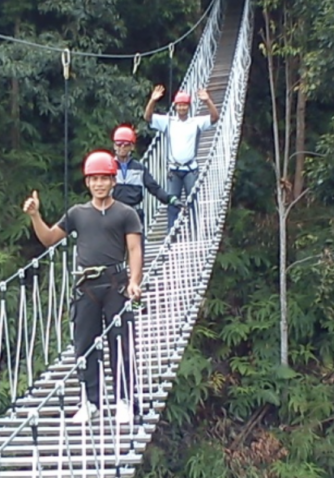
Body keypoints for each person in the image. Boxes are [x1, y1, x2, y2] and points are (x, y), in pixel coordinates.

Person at [23, 150, 143, 424]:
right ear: (87, 182)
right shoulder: (77, 213)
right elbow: (50, 239)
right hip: (85, 286)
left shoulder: (126, 213)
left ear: (113, 181)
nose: (99, 183)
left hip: (116, 284)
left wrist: (135, 281)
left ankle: (124, 400)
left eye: (104, 178)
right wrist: (35, 216)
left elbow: (135, 249)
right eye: (94, 179)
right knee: (84, 346)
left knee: (121, 343)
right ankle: (90, 401)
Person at [143, 85, 220, 232]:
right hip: (174, 170)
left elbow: (215, 118)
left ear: (189, 107)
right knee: (172, 201)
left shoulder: (196, 122)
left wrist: (207, 101)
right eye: (179, 105)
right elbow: (148, 117)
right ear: (175, 106)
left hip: (191, 169)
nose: (182, 108)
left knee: (193, 201)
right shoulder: (168, 121)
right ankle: (172, 233)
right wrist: (152, 100)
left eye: (184, 105)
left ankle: (194, 230)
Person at [110, 124, 179, 258]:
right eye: (118, 144)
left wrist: (170, 199)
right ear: (114, 146)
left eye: (126, 144)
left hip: (134, 212)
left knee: (137, 251)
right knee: (114, 251)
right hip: (114, 212)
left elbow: (154, 188)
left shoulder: (140, 168)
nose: (122, 148)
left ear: (132, 147)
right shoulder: (108, 167)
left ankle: (137, 277)